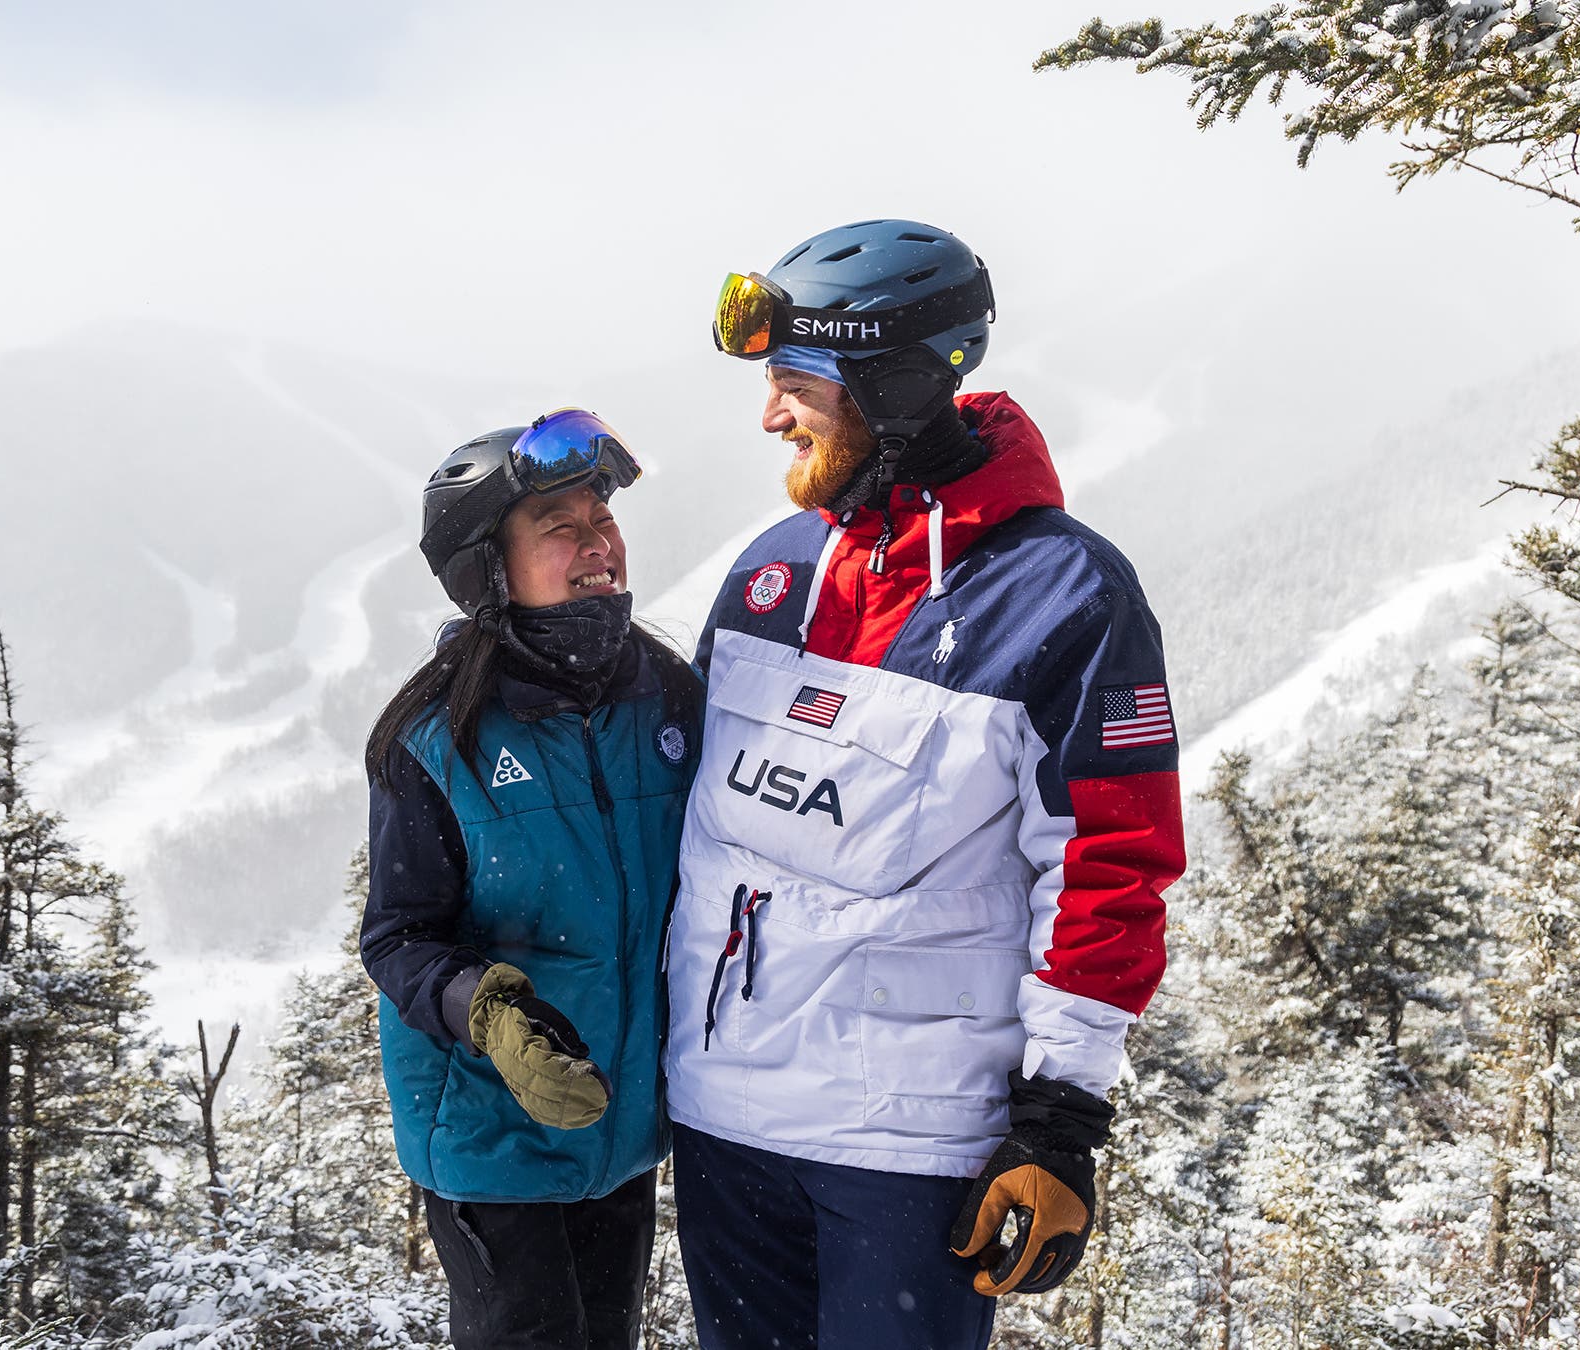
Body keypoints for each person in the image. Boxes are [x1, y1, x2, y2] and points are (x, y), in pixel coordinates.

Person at [667, 221, 1187, 1349]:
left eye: (797, 385)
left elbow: (1110, 864)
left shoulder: (1064, 594)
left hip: (906, 1154)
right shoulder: (773, 569)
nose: (771, 415)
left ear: (896, 390)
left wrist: (1058, 1124)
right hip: (721, 1126)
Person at [361, 408, 702, 1350]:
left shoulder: (667, 699)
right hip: (492, 1134)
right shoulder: (436, 738)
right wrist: (492, 1015)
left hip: (621, 1126)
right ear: (489, 568)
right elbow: (397, 937)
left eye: (603, 518)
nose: (598, 543)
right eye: (561, 526)